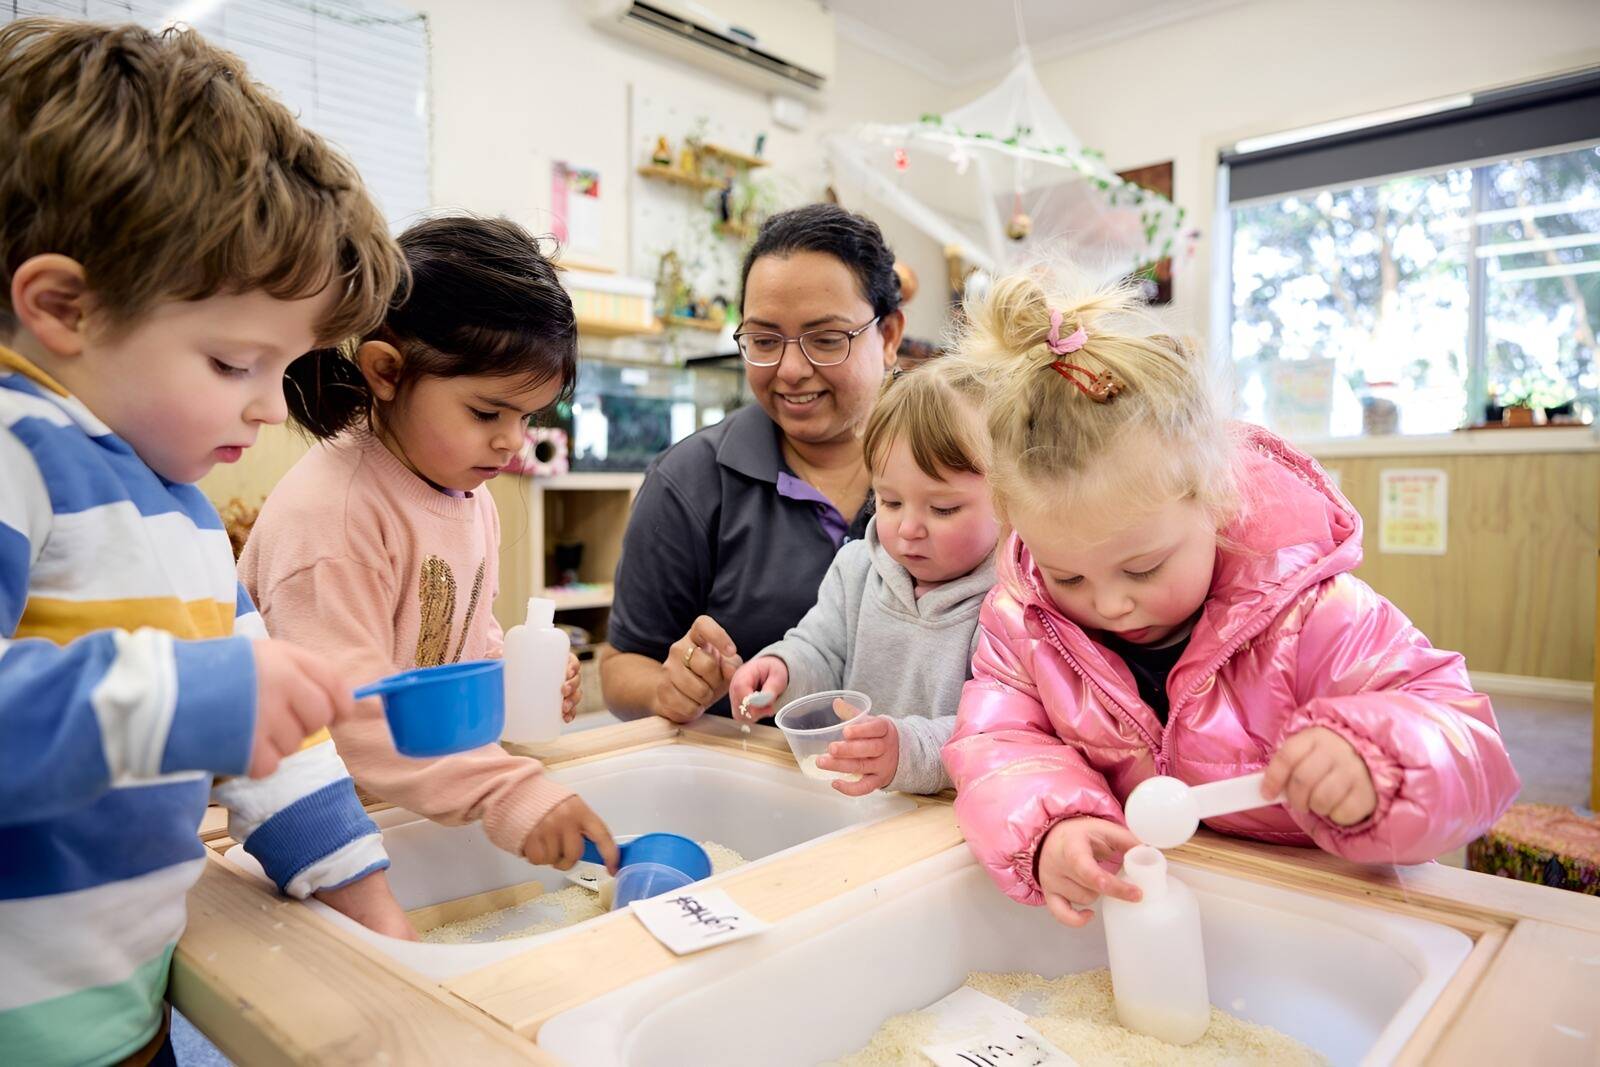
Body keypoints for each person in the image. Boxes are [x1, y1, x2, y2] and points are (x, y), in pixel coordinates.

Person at [0, 19, 410, 1064]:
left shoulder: (175, 502)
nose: (271, 407)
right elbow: (202, 701)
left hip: (122, 1017)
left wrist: (368, 899)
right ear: (63, 305)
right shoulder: (16, 456)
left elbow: (265, 746)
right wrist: (190, 699)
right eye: (233, 362)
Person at [942, 267, 1521, 929]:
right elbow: (999, 742)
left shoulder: (1316, 615)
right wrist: (1051, 824)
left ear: (1218, 500)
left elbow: (1473, 747)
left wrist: (1381, 764)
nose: (1109, 604)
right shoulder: (1024, 619)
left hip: (1321, 916)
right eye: (1068, 575)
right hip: (1158, 907)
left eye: (1143, 566)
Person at [242, 215, 619, 878]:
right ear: (387, 372)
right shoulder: (333, 515)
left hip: (399, 794)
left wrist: (510, 674)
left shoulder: (464, 492)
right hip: (300, 819)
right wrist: (506, 789)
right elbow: (352, 710)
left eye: (528, 417)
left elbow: (450, 647)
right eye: (487, 413)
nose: (511, 441)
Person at [602, 204, 904, 721]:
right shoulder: (689, 482)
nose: (789, 370)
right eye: (764, 341)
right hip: (749, 777)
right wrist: (667, 690)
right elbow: (621, 665)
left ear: (890, 336)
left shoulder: (954, 470)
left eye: (826, 340)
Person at [729, 360, 998, 795]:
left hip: (952, 822)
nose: (910, 528)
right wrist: (782, 669)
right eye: (890, 502)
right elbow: (820, 650)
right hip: (855, 801)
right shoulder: (856, 569)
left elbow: (998, 730)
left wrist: (904, 751)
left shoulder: (1011, 603)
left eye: (943, 509)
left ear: (1009, 498)